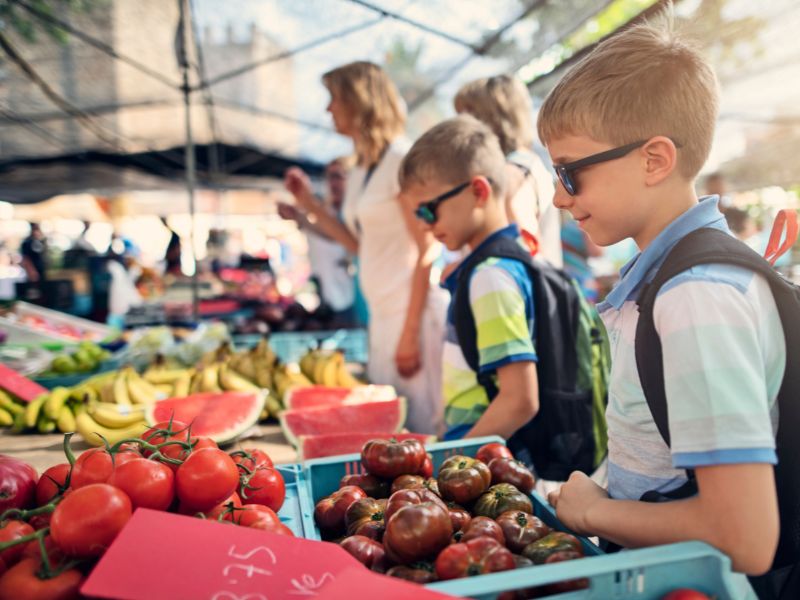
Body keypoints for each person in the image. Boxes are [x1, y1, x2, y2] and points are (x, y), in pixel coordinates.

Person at [537, 12, 785, 585]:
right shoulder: (669, 282)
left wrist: (596, 512)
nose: (556, 197)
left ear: (655, 160)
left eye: (570, 173)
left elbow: (744, 535)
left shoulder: (695, 299)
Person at [284, 61, 447, 435]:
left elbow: (427, 248)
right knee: (396, 436)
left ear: (360, 102)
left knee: (422, 428)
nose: (328, 109)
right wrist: (308, 203)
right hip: (382, 316)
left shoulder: (401, 162)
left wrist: (409, 334)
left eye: (334, 98)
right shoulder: (361, 168)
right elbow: (358, 245)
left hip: (413, 316)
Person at [398, 115, 538, 444]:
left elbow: (520, 400)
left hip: (486, 461)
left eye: (428, 210)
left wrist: (456, 460)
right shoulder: (496, 264)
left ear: (478, 191)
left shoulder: (490, 276)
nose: (423, 225)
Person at [454, 75, 563, 267]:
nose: (460, 129)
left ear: (489, 119)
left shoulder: (511, 175)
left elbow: (523, 255)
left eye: (465, 117)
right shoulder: (531, 164)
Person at [280, 157, 357, 326]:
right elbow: (322, 231)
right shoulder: (326, 211)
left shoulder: (353, 213)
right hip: (326, 295)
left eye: (338, 176)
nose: (332, 183)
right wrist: (298, 216)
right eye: (329, 177)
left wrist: (305, 209)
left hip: (349, 299)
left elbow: (338, 235)